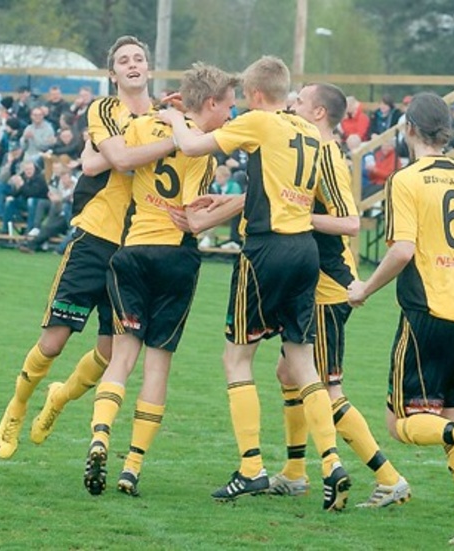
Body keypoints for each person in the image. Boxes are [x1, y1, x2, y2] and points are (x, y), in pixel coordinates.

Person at [158, 55, 351, 511]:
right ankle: (332, 464)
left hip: (266, 250)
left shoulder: (261, 122)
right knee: (303, 366)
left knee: (237, 358)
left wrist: (172, 116)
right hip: (305, 250)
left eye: (246, 96)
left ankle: (251, 469)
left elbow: (190, 145)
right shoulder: (306, 130)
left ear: (257, 96)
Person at [347, 92, 454, 545]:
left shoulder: (406, 180)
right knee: (451, 415)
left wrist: (364, 288)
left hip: (427, 314)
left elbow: (403, 250)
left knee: (402, 424)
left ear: (408, 129)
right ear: (447, 132)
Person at [0, 35, 175, 460]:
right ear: (112, 75)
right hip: (94, 238)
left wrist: (175, 122)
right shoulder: (104, 109)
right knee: (54, 342)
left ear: (148, 68)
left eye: (139, 58)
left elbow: (100, 159)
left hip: (135, 250)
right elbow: (107, 161)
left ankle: (58, 399)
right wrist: (168, 136)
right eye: (123, 61)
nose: (133, 64)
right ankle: (18, 405)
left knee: (112, 353)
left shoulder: (166, 116)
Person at [82, 63, 239, 497]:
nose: (230, 114)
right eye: (228, 106)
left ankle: (99, 436)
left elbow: (116, 159)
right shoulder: (200, 148)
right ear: (210, 103)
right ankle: (131, 468)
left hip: (132, 252)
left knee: (121, 359)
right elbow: (192, 218)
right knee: (157, 365)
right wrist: (237, 204)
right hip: (175, 259)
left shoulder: (146, 126)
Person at [269, 82, 411, 507]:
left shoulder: (327, 154)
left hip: (328, 289)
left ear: (316, 114)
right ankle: (295, 472)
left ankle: (389, 477)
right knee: (288, 374)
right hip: (312, 282)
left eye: (299, 101)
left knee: (327, 387)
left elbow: (349, 223)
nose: (292, 104)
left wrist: (296, 214)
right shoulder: (310, 147)